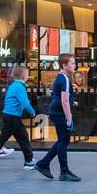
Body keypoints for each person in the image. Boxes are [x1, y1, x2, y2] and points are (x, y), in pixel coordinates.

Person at [33, 53, 80, 182]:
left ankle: (44, 164)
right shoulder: (64, 78)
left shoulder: (61, 78)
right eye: (72, 63)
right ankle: (63, 171)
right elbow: (64, 100)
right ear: (64, 65)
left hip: (57, 111)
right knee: (64, 141)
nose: (74, 65)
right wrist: (69, 118)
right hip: (60, 113)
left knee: (62, 140)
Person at [0, 64, 37, 172]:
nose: (28, 76)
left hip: (11, 116)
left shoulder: (14, 85)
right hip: (13, 117)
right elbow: (25, 103)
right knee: (3, 139)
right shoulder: (19, 87)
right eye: (27, 74)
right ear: (24, 76)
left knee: (23, 137)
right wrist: (32, 112)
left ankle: (29, 161)